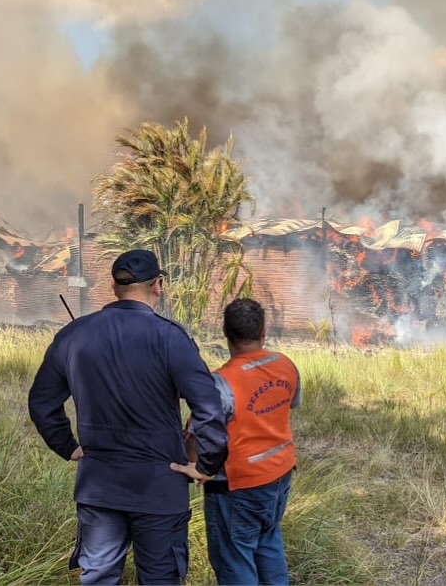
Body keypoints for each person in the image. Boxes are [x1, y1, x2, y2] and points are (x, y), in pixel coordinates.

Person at [28, 249, 228, 585]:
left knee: (99, 578)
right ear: (158, 285)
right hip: (161, 490)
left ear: (114, 285)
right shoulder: (170, 337)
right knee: (161, 578)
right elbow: (209, 407)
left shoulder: (75, 334)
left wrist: (68, 446)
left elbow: (41, 402)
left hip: (99, 487)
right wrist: (207, 465)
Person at [173, 298, 300, 585]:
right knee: (268, 542)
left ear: (225, 332)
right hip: (280, 476)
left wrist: (197, 466)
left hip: (238, 485)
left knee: (234, 560)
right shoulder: (286, 365)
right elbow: (286, 404)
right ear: (263, 331)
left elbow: (198, 431)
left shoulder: (221, 382)